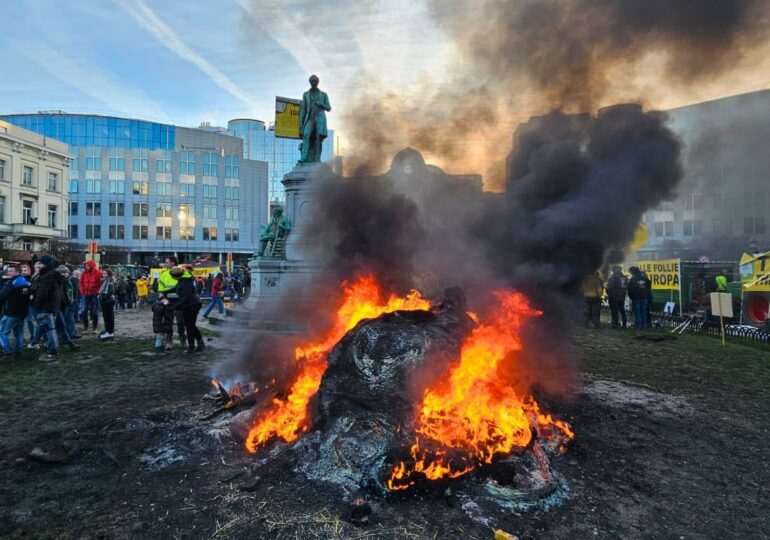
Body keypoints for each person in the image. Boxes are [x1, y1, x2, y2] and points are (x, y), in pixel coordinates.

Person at [32, 256, 64, 362]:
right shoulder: (53, 275)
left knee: (49, 330)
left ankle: (52, 352)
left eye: (40, 264)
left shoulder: (47, 276)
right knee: (50, 329)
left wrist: (36, 305)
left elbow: (43, 293)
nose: (37, 265)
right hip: (53, 306)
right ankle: (51, 349)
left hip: (47, 306)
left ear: (45, 265)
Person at [171, 266, 205, 354]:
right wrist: (164, 292)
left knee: (189, 326)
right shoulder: (182, 280)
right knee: (191, 325)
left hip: (192, 305)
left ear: (176, 275)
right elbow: (175, 289)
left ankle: (191, 348)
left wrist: (174, 307)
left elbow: (185, 298)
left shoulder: (186, 282)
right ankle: (201, 344)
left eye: (172, 276)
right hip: (190, 304)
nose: (172, 278)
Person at [153, 256, 184, 351]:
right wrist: (163, 299)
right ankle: (168, 341)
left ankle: (183, 341)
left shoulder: (182, 273)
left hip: (180, 302)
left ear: (173, 263)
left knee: (181, 322)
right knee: (168, 322)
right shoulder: (163, 275)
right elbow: (160, 291)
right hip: (168, 302)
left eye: (167, 262)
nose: (165, 264)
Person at [299, 74, 331, 163]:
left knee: (318, 138)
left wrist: (321, 103)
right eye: (312, 81)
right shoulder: (306, 94)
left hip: (320, 117)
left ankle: (317, 158)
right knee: (306, 134)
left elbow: (329, 108)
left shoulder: (324, 95)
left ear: (318, 82)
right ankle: (304, 157)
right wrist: (301, 124)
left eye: (315, 81)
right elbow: (303, 109)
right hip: (310, 118)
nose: (314, 83)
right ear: (310, 82)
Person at [0, 265, 31, 358]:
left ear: (17, 272)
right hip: (22, 311)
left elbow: (2, 295)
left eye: (10, 271)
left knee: (2, 332)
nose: (8, 273)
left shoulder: (13, 282)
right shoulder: (25, 281)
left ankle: (7, 351)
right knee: (18, 332)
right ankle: (18, 350)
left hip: (11, 312)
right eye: (8, 271)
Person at [54, 265, 79, 351]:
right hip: (59, 305)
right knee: (61, 323)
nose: (65, 274)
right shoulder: (59, 281)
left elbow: (72, 293)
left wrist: (70, 301)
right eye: (62, 272)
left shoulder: (69, 281)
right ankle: (68, 340)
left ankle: (66, 338)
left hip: (65, 304)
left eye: (66, 272)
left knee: (63, 322)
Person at [79, 259, 102, 333]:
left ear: (91, 266)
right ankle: (86, 328)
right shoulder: (84, 273)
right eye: (85, 265)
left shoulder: (98, 273)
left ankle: (95, 328)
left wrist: (97, 292)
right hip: (85, 294)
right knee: (84, 311)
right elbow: (81, 283)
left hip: (94, 295)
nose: (86, 266)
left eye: (87, 265)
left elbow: (100, 284)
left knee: (94, 312)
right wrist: (82, 291)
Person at [99, 269, 116, 340]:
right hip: (107, 301)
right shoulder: (106, 280)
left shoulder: (109, 281)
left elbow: (111, 291)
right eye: (103, 273)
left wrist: (103, 297)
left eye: (105, 273)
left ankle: (109, 332)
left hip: (108, 301)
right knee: (108, 317)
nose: (104, 275)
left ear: (109, 274)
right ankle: (108, 331)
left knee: (108, 317)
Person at [67, 266, 81, 339]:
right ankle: (71, 333)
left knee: (70, 317)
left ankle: (70, 333)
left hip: (71, 301)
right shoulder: (74, 280)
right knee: (70, 317)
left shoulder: (72, 280)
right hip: (72, 301)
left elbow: (75, 291)